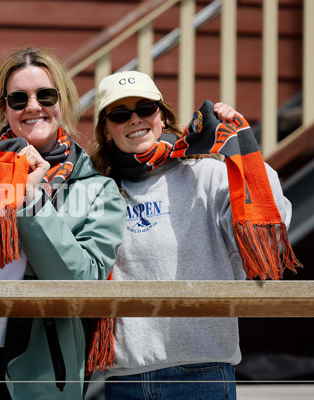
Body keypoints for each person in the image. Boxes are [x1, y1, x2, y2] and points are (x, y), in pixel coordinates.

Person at [0, 47, 126, 399]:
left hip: (36, 364)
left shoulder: (96, 190)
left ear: (64, 102)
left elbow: (83, 284)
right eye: (18, 98)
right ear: (4, 109)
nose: (33, 106)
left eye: (45, 95)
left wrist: (33, 200)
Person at [90, 70, 301, 400]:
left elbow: (273, 223)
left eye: (145, 108)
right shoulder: (98, 191)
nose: (135, 120)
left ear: (162, 116)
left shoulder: (208, 175)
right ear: (105, 128)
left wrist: (243, 149)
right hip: (125, 378)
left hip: (202, 370)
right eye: (120, 114)